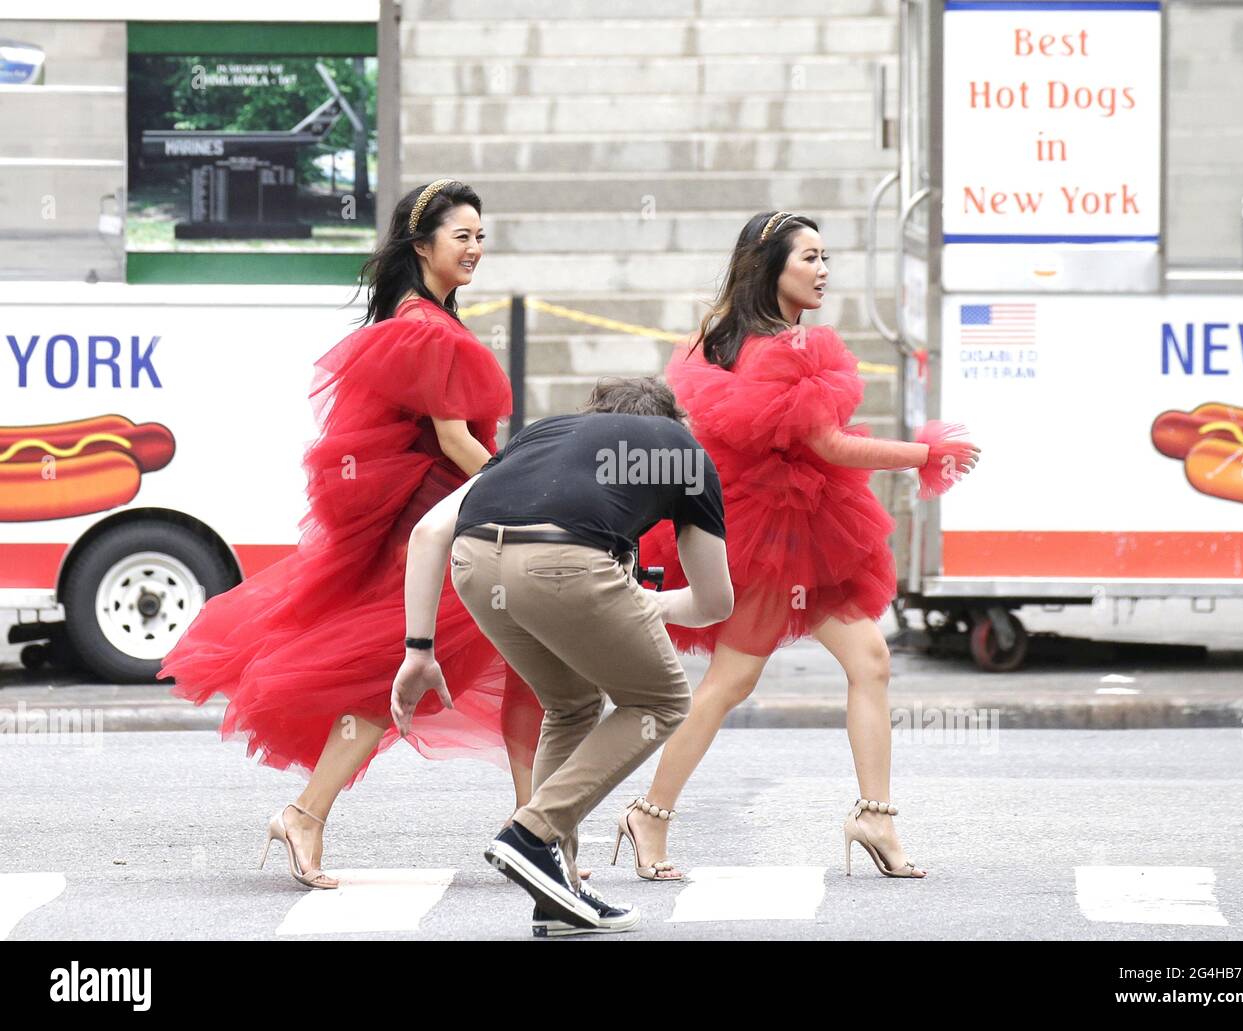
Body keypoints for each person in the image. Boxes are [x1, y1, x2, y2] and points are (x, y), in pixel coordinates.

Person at [157, 179, 544, 890]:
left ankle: (538, 828)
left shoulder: (417, 315)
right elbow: (457, 441)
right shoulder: (425, 327)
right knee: (392, 677)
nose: (477, 249)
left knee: (509, 665)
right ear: (422, 244)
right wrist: (526, 493)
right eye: (463, 235)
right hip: (441, 532)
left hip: (440, 524)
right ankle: (313, 812)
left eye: (482, 236)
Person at [624, 210, 981, 882]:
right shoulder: (784, 348)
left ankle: (875, 813)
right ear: (772, 266)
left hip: (801, 528)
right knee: (730, 682)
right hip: (774, 532)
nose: (822, 271)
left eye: (826, 258)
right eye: (808, 258)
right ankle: (650, 811)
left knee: (870, 658)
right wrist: (926, 454)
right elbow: (830, 445)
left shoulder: (735, 337)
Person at [390, 377, 733, 936]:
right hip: (564, 562)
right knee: (663, 700)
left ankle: (558, 892)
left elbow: (429, 532)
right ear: (674, 421)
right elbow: (715, 601)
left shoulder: (541, 435)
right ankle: (531, 833)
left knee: (571, 703)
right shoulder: (681, 447)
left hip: (474, 565)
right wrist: (651, 603)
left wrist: (419, 650)